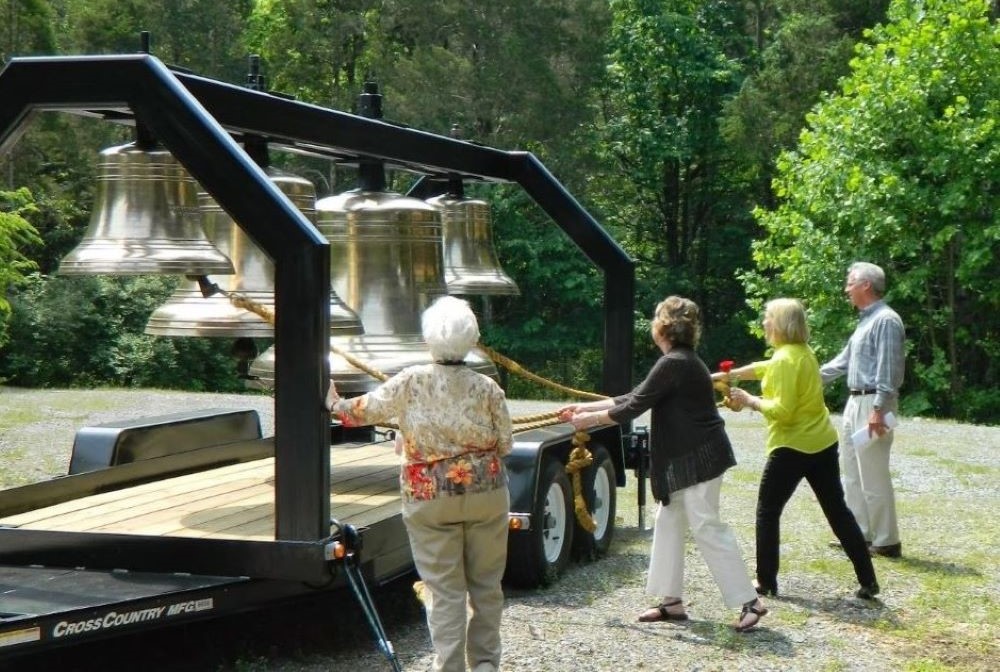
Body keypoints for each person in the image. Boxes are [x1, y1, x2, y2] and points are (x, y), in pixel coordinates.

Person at [558, 295, 767, 632]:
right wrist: (585, 409)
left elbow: (633, 406)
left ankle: (750, 602)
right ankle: (671, 602)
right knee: (669, 520)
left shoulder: (676, 362)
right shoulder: (678, 361)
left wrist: (589, 420)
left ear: (663, 328)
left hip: (700, 459)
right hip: (691, 459)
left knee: (706, 526)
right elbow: (636, 395)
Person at [327, 295, 513, 672]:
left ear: (428, 339)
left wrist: (334, 403)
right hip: (487, 493)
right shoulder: (488, 388)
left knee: (444, 591)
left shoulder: (411, 381)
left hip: (429, 498)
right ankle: (486, 665)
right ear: (473, 339)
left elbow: (361, 412)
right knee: (486, 586)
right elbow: (505, 443)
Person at [717, 298, 880, 600]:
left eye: (768, 317)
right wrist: (731, 375)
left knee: (767, 511)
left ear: (780, 323)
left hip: (791, 447)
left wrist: (749, 400)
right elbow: (765, 367)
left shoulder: (784, 359)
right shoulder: (802, 352)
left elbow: (783, 412)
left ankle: (766, 581)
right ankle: (868, 579)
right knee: (838, 511)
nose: (764, 322)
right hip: (822, 443)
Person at [819, 262, 905, 558]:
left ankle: (887, 541)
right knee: (852, 473)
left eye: (850, 282)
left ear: (866, 285)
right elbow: (841, 363)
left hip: (873, 403)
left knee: (873, 473)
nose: (846, 289)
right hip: (856, 401)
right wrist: (805, 377)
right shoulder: (865, 321)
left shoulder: (886, 320)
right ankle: (858, 535)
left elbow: (888, 370)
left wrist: (879, 408)